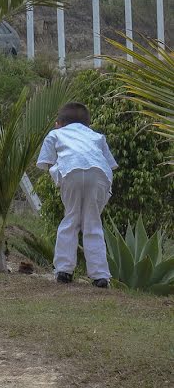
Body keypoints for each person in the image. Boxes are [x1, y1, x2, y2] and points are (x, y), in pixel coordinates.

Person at [37, 102, 118, 288]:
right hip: (100, 174)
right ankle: (100, 276)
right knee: (93, 223)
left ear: (58, 123)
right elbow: (110, 164)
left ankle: (64, 271)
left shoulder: (55, 134)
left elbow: (45, 163)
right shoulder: (97, 136)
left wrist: (58, 177)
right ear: (88, 124)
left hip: (70, 172)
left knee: (71, 219)